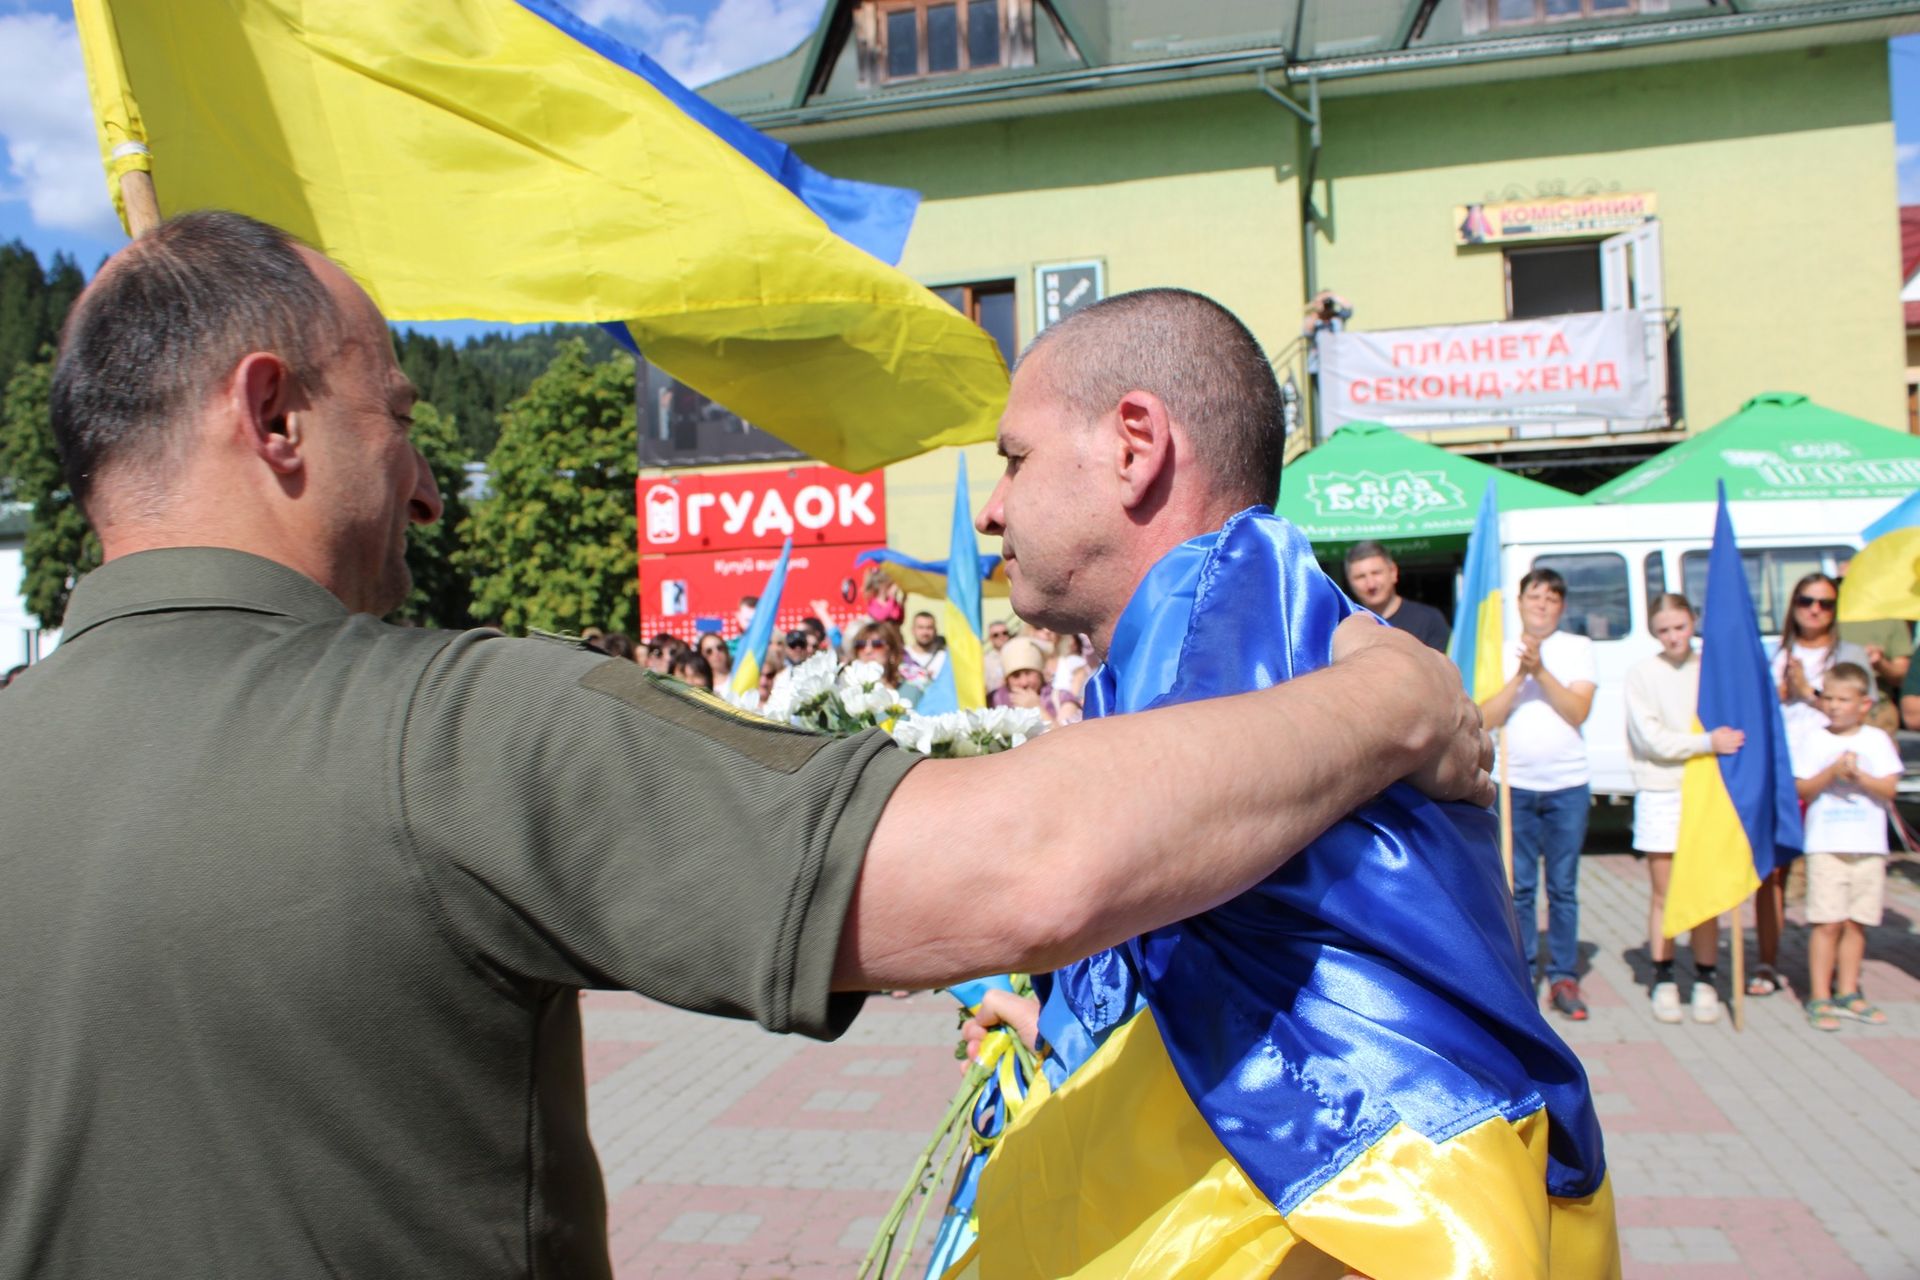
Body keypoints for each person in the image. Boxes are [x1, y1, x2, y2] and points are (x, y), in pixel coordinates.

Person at [1, 213, 1489, 1279]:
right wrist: (1393, 701)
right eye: (396, 415)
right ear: (273, 417)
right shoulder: (449, 732)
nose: (429, 489)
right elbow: (1026, 867)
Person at [963, 287, 1610, 1276]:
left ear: (1136, 443)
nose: (990, 507)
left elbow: (1060, 861)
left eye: (1015, 457)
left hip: (1369, 1210)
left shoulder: (1222, 601)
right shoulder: (1239, 626)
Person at [1478, 567, 1598, 1020]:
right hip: (1516, 785)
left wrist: (1541, 672)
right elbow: (1485, 715)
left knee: (1563, 887)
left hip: (1567, 785)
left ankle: (1564, 975)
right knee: (1521, 887)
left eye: (1551, 597)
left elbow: (1578, 711)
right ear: (1521, 600)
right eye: (1535, 596)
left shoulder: (1578, 648)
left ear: (1561, 606)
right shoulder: (1501, 648)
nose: (1542, 604)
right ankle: (1524, 972)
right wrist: (1520, 677)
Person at [1624, 594, 1744, 1024]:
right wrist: (1706, 743)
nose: (1674, 636)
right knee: (1666, 890)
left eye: (1680, 626)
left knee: (1707, 890)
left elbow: (1735, 723)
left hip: (1706, 791)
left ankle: (1707, 976)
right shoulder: (1642, 674)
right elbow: (1652, 740)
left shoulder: (1712, 671)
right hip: (1661, 790)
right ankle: (1664, 975)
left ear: (1693, 622)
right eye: (1664, 630)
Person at [1754, 572, 1869, 997]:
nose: (1815, 610)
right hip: (1785, 775)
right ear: (1793, 606)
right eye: (1806, 601)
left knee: (1831, 872)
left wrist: (1809, 693)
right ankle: (1767, 961)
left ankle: (1833, 977)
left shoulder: (1849, 654)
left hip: (1835, 781)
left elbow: (1866, 719)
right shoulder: (1776, 653)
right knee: (1773, 871)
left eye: (1825, 603)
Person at [1790, 663, 1900, 1031]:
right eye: (1829, 698)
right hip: (1826, 844)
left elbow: (1889, 790)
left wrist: (1861, 777)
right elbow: (1802, 789)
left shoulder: (1876, 740)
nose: (1835, 706)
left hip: (1867, 846)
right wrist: (1832, 773)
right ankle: (1819, 995)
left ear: (1864, 703)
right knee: (1827, 923)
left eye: (1843, 699)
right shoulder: (1816, 739)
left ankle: (1848, 990)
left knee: (1857, 923)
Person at [1343, 539, 1451, 651]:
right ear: (1349, 581)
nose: (1371, 584)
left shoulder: (1429, 620)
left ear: (1393, 572)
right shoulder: (1343, 628)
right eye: (1360, 577)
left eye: (1376, 573)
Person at [985, 635, 1059, 726]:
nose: (1024, 683)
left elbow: (1068, 737)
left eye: (1028, 673)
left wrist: (1037, 707)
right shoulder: (993, 702)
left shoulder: (1060, 698)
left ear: (1040, 673)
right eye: (1016, 676)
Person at [901, 609, 946, 684]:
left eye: (929, 628)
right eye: (920, 627)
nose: (925, 632)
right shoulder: (902, 655)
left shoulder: (944, 657)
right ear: (913, 630)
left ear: (935, 630)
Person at [982, 618, 1012, 694]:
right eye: (996, 635)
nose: (1001, 637)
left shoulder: (1019, 654)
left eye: (1004, 633)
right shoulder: (985, 661)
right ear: (990, 638)